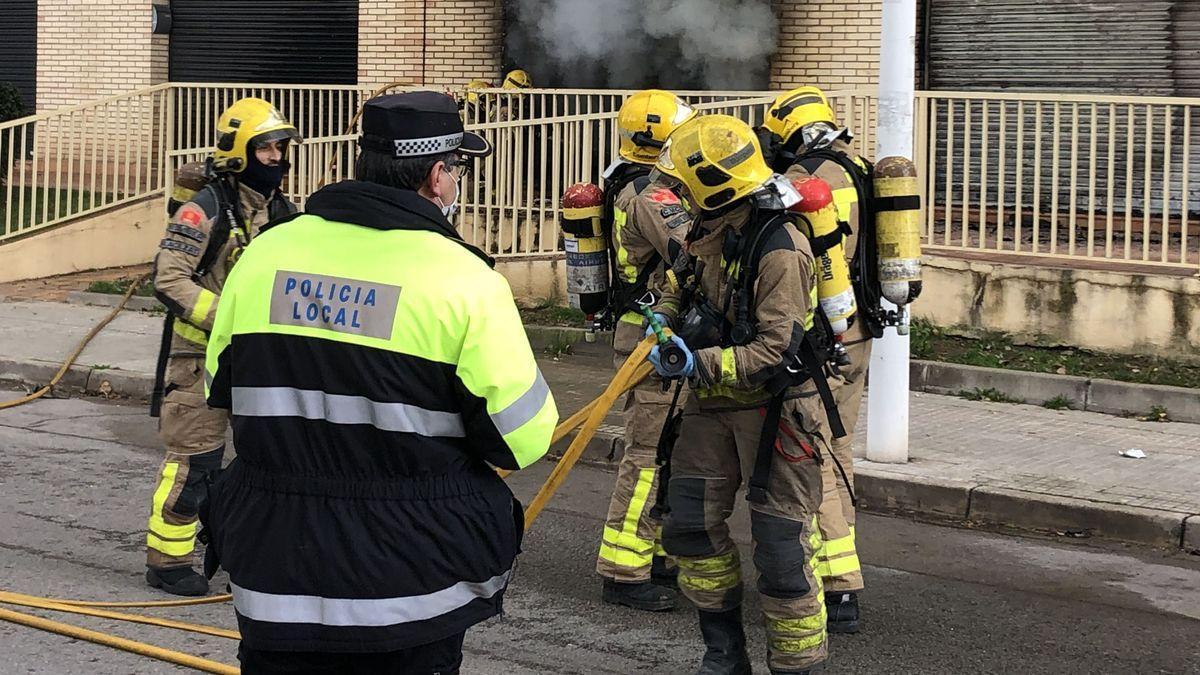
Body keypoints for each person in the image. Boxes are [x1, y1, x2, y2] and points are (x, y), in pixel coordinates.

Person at [200, 91, 557, 675]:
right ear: (439, 175)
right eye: (457, 170)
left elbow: (222, 384)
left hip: (275, 577)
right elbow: (521, 439)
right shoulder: (464, 279)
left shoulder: (266, 254)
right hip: (407, 592)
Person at [650, 115, 829, 674]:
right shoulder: (705, 228)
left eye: (682, 182)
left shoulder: (781, 247)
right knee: (689, 527)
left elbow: (775, 349)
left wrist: (694, 362)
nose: (674, 192)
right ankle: (724, 654)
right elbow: (674, 287)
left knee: (780, 548)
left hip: (774, 410)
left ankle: (798, 665)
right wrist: (662, 322)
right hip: (710, 408)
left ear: (713, 183)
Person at [145, 97, 300, 596]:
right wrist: (227, 319)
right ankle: (167, 561)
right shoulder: (203, 208)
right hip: (198, 363)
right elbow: (169, 279)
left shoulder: (282, 213)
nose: (278, 158)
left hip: (257, 361)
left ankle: (246, 555)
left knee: (268, 465)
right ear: (240, 153)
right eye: (268, 149)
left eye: (281, 147)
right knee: (196, 465)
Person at [759, 86, 878, 633]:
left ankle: (835, 586)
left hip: (819, 336)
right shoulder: (863, 169)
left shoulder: (807, 182)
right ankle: (842, 567)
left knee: (812, 456)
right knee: (839, 448)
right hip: (856, 329)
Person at [595, 90, 697, 612]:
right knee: (646, 454)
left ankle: (653, 553)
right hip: (651, 338)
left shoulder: (628, 180)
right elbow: (691, 254)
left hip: (653, 335)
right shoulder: (654, 197)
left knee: (668, 452)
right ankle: (623, 570)